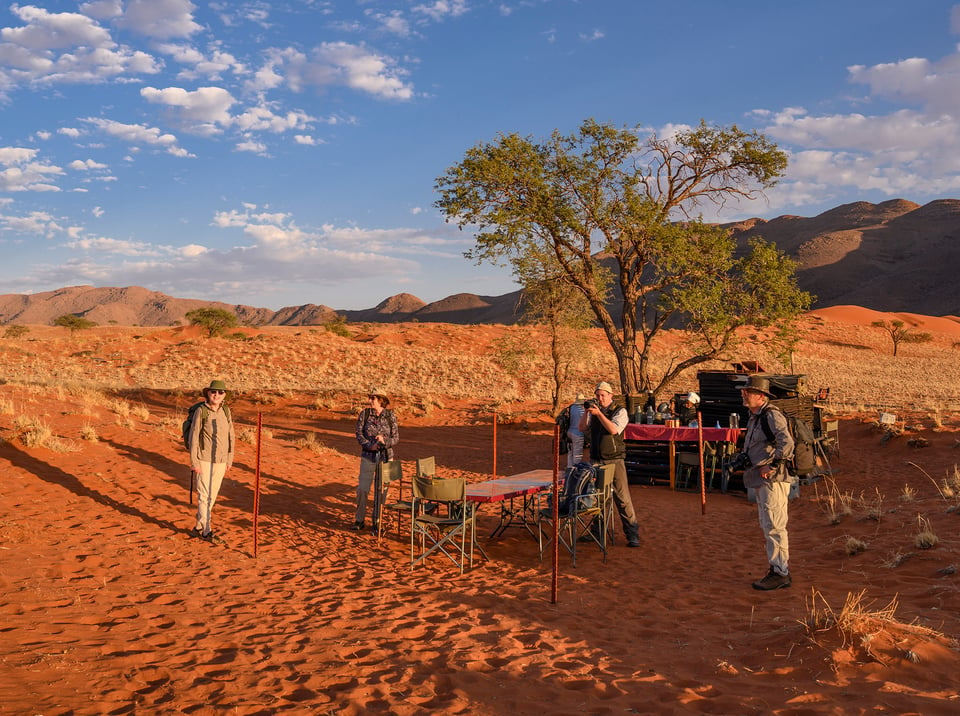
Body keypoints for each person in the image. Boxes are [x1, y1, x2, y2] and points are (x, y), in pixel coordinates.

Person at [740, 375, 795, 590]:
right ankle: (777, 569)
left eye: (749, 392)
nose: (744, 394)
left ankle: (780, 572)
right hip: (764, 480)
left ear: (761, 396)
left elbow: (787, 443)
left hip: (774, 479)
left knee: (774, 525)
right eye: (745, 391)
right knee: (768, 524)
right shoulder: (755, 416)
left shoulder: (771, 415)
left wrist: (771, 466)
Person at [578, 381, 641, 547]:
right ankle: (597, 532)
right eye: (597, 395)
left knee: (622, 498)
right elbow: (581, 427)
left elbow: (613, 430)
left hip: (614, 459)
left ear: (610, 395)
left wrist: (599, 414)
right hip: (597, 459)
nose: (600, 398)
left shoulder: (620, 411)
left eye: (603, 395)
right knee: (599, 498)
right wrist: (587, 412)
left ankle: (632, 534)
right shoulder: (594, 411)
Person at [188, 379, 235, 545]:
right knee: (204, 496)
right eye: (213, 392)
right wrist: (195, 462)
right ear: (208, 393)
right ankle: (207, 531)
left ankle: (199, 527)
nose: (216, 395)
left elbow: (231, 436)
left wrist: (229, 458)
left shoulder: (226, 412)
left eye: (220, 392)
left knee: (212, 497)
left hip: (221, 461)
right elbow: (194, 438)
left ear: (224, 395)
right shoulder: (202, 411)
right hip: (204, 459)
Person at [354, 388, 399, 532]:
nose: (370, 400)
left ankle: (377, 521)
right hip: (368, 456)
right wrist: (369, 445)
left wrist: (384, 441)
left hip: (386, 458)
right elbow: (359, 433)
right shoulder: (365, 414)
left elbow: (396, 438)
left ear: (381, 400)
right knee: (362, 489)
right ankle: (359, 520)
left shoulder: (390, 415)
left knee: (381, 491)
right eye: (370, 397)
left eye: (373, 398)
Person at [565, 393, 587, 468]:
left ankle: (569, 468)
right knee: (577, 454)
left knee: (570, 453)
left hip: (569, 432)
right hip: (578, 434)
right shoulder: (583, 410)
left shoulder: (572, 407)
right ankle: (575, 470)